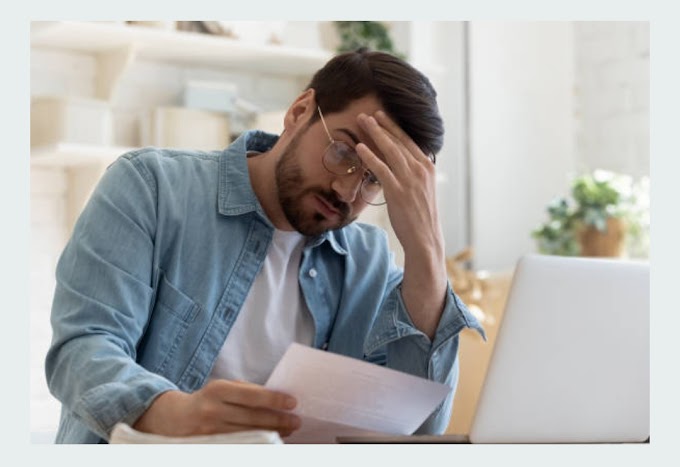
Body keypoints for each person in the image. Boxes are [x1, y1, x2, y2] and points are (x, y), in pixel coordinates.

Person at [45, 48, 485, 444]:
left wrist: (426, 252)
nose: (346, 189)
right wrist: (176, 413)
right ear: (300, 111)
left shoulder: (368, 260)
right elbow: (82, 348)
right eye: (345, 153)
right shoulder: (153, 189)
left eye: (374, 178)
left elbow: (420, 434)